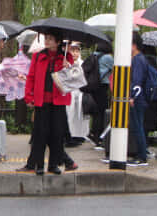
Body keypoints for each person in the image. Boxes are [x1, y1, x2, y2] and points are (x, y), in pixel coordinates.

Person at [24, 31, 77, 175]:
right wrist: (29, 96)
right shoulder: (38, 55)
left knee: (57, 134)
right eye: (46, 38)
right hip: (42, 100)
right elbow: (31, 77)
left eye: (50, 38)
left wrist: (69, 68)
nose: (47, 41)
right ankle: (39, 165)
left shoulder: (67, 57)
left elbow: (73, 81)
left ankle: (53, 165)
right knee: (40, 134)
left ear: (58, 42)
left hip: (59, 100)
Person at [128, 32, 149, 166]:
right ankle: (141, 153)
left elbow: (137, 81)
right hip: (140, 98)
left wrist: (132, 97)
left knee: (137, 127)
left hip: (137, 99)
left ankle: (141, 156)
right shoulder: (141, 59)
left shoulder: (137, 60)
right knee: (138, 126)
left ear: (134, 45)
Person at [87, 42, 113, 148]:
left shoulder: (93, 55)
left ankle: (93, 134)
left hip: (93, 86)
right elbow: (119, 67)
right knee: (101, 112)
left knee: (96, 112)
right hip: (102, 87)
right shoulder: (107, 57)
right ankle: (99, 137)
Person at [66, 42, 89, 146]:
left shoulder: (83, 63)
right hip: (69, 92)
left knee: (80, 114)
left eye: (77, 51)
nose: (75, 53)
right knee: (70, 114)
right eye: (72, 51)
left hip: (80, 92)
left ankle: (81, 135)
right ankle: (71, 134)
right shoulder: (66, 63)